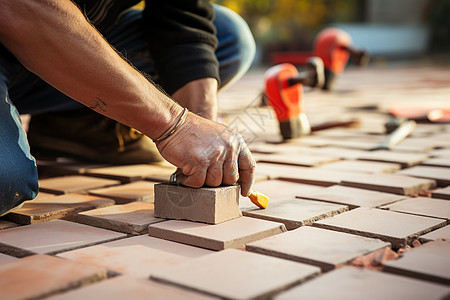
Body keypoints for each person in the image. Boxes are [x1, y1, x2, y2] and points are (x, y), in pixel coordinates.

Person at [0, 0, 257, 216]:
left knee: (227, 35)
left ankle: (75, 124)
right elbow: (21, 7)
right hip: (24, 18)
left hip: (62, 40)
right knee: (6, 181)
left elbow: (183, 22)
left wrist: (203, 135)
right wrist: (174, 125)